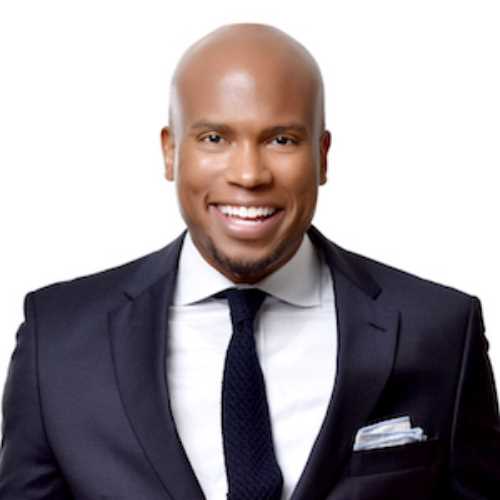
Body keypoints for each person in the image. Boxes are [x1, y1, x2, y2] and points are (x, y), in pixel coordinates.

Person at [0, 22, 498, 500]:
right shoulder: (58, 340)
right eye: (214, 138)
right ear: (170, 152)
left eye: (282, 140)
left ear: (322, 155)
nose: (249, 174)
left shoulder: (440, 331)